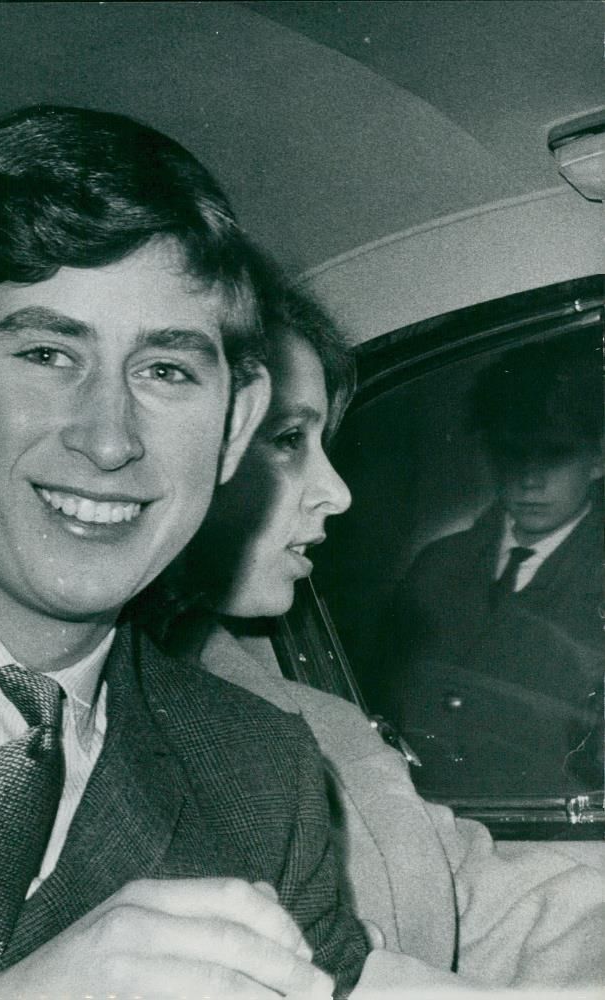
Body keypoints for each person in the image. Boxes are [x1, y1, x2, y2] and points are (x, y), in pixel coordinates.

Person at [0, 105, 370, 998]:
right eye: (49, 353)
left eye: (166, 371)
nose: (108, 441)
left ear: (231, 430)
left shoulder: (263, 778)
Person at [152, 277, 604, 989]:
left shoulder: (314, 719)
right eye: (288, 440)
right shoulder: (101, 724)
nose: (337, 491)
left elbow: (461, 888)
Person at [375, 337, 603, 795]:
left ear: (598, 457)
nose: (528, 478)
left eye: (554, 453)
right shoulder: (436, 567)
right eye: (511, 453)